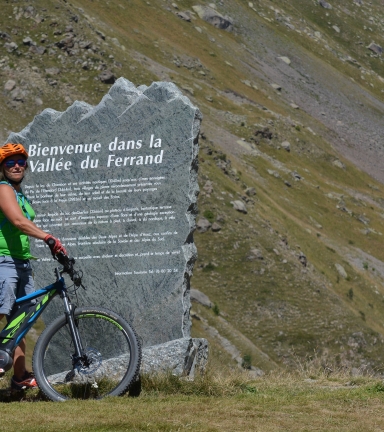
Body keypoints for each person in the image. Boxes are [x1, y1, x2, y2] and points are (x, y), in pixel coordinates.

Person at [0, 143, 66, 391]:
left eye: (20, 162)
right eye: (10, 162)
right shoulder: (3, 188)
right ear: (2, 168)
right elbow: (17, 221)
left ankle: (19, 378)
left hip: (22, 264)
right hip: (3, 261)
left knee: (20, 323)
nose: (16, 166)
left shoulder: (20, 194)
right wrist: (47, 237)